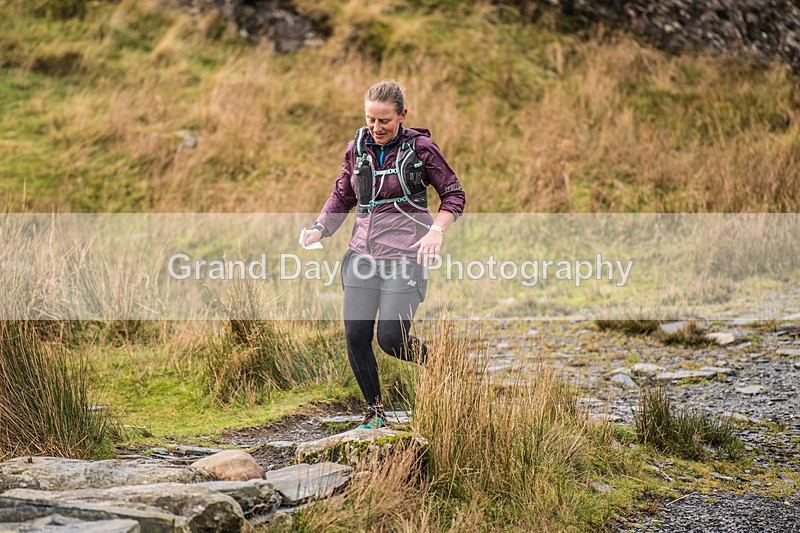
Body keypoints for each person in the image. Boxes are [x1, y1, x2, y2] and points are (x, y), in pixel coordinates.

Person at [303, 80, 465, 429]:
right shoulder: (356, 148)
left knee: (391, 340)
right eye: (370, 120)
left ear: (402, 115)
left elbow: (453, 195)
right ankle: (374, 414)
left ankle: (444, 363)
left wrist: (436, 231)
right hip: (361, 257)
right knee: (356, 337)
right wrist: (320, 228)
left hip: (406, 257)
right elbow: (342, 195)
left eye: (385, 121)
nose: (376, 128)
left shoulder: (422, 149)